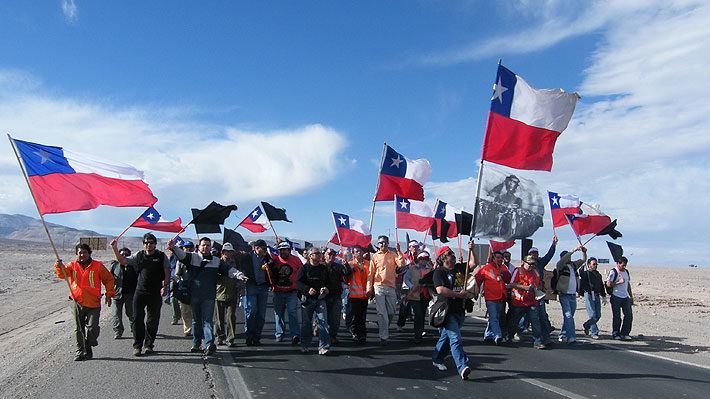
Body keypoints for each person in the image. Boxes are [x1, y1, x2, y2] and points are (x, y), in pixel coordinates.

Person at [168, 237, 248, 355]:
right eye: (203, 245)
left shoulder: (216, 261)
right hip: (195, 295)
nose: (205, 247)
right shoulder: (192, 258)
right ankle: (196, 343)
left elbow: (228, 269)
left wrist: (239, 275)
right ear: (199, 247)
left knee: (207, 321)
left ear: (210, 247)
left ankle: (209, 343)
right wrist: (173, 247)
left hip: (209, 296)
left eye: (208, 245)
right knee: (196, 321)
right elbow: (182, 256)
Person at [111, 233, 171, 356]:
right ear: (143, 244)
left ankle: (149, 345)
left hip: (155, 292)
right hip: (140, 292)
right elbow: (122, 261)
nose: (148, 245)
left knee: (152, 320)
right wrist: (114, 248)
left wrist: (165, 286)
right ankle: (137, 345)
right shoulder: (139, 255)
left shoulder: (161, 256)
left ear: (155, 244)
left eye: (151, 242)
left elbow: (167, 272)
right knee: (137, 318)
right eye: (146, 243)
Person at [54, 243, 115, 361]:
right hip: (77, 301)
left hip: (93, 303)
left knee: (93, 328)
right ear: (76, 254)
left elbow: (108, 279)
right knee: (79, 328)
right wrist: (58, 266)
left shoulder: (97, 266)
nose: (82, 255)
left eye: (84, 252)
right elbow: (63, 275)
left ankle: (89, 344)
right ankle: (80, 351)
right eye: (80, 253)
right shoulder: (72, 265)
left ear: (89, 253)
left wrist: (109, 294)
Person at [431, 242, 475, 380]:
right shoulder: (439, 272)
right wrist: (458, 295)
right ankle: (463, 367)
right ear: (444, 258)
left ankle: (437, 358)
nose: (453, 255)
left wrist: (471, 250)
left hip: (460, 310)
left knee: (446, 337)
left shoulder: (460, 268)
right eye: (450, 253)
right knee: (455, 339)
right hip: (447, 310)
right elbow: (440, 290)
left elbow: (473, 263)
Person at [366, 235, 405, 345]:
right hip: (378, 286)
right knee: (382, 312)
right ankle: (384, 337)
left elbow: (402, 264)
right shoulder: (375, 257)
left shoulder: (393, 255)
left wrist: (399, 251)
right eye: (380, 243)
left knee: (391, 312)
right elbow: (371, 273)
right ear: (378, 245)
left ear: (388, 244)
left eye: (384, 242)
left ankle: (384, 326)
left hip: (391, 287)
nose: (383, 244)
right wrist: (369, 288)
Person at [236, 239, 273, 346]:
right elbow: (242, 271)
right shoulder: (247, 257)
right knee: (252, 311)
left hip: (263, 287)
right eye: (263, 248)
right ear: (256, 249)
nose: (265, 250)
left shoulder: (266, 258)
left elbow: (272, 266)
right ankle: (249, 335)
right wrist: (242, 287)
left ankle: (257, 336)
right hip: (251, 286)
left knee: (261, 314)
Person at [296, 247, 333, 355]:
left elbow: (329, 282)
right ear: (310, 256)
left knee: (323, 322)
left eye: (319, 253)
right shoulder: (304, 268)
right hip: (307, 300)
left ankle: (324, 347)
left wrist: (326, 288)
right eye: (317, 253)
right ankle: (305, 344)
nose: (319, 255)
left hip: (320, 299)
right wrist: (307, 290)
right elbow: (298, 283)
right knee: (306, 323)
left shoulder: (323, 268)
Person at [506, 256, 547, 349]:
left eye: (533, 264)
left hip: (532, 301)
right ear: (523, 262)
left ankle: (538, 341)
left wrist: (538, 288)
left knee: (535, 321)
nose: (531, 266)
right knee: (515, 321)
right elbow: (511, 284)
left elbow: (540, 284)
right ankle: (509, 336)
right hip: (519, 302)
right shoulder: (518, 271)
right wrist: (524, 288)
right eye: (529, 264)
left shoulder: (536, 272)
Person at [474, 250, 512, 345]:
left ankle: (488, 335)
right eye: (497, 258)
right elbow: (477, 280)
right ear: (493, 258)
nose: (499, 259)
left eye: (501, 258)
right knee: (494, 317)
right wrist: (475, 292)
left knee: (495, 317)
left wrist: (503, 273)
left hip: (501, 297)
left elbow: (509, 280)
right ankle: (498, 335)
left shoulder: (503, 268)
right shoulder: (486, 268)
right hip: (490, 297)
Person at [270, 241, 302, 345]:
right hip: (278, 291)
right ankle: (279, 333)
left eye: (284, 250)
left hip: (292, 291)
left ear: (289, 250)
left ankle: (295, 335)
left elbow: (302, 273)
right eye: (280, 250)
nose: (282, 252)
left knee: (292, 312)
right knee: (278, 314)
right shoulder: (274, 261)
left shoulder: (296, 260)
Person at [555, 245, 587, 343]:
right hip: (564, 294)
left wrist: (584, 252)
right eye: (567, 257)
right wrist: (572, 251)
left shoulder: (573, 265)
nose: (569, 258)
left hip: (573, 295)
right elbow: (563, 260)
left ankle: (563, 334)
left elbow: (583, 260)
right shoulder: (560, 266)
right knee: (568, 315)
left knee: (569, 316)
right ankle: (571, 337)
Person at [214, 243, 242, 347]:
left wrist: (239, 284)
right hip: (219, 293)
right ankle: (219, 337)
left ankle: (230, 338)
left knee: (231, 317)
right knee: (219, 318)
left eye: (231, 251)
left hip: (232, 293)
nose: (229, 253)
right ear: (223, 252)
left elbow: (239, 274)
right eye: (227, 251)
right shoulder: (218, 263)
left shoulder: (235, 262)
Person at [404, 251, 432, 343]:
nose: (424, 261)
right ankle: (417, 335)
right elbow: (406, 278)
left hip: (425, 295)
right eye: (422, 259)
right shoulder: (412, 268)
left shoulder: (430, 270)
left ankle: (420, 332)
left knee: (422, 314)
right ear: (418, 260)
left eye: (426, 259)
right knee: (418, 314)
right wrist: (411, 286)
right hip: (414, 295)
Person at [344, 245, 369, 344]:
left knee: (362, 316)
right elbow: (345, 279)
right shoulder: (350, 265)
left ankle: (354, 329)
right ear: (353, 254)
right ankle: (361, 335)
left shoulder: (368, 264)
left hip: (365, 295)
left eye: (360, 251)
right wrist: (349, 271)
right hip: (354, 295)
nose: (359, 253)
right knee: (358, 316)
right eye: (356, 252)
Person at [109, 247, 136, 339]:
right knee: (116, 314)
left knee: (131, 313)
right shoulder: (114, 266)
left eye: (126, 255)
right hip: (117, 294)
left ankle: (135, 329)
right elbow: (109, 280)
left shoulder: (133, 266)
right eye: (122, 254)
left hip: (130, 294)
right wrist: (109, 294)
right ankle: (118, 331)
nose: (124, 256)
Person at [324, 247, 348, 344]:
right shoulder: (321, 266)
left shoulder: (338, 267)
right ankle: (321, 331)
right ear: (325, 256)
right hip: (323, 297)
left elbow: (347, 274)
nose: (332, 257)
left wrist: (345, 264)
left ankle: (332, 335)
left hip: (336, 296)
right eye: (329, 255)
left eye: (333, 255)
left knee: (335, 318)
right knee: (323, 317)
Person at [578, 257, 606, 339]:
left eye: (596, 264)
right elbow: (581, 274)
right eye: (593, 264)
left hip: (596, 295)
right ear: (589, 265)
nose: (595, 266)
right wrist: (582, 267)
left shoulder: (598, 275)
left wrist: (603, 295)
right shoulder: (586, 274)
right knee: (592, 314)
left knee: (598, 315)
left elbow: (601, 285)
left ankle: (587, 325)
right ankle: (594, 332)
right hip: (589, 295)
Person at [606, 256, 633, 340]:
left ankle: (625, 333)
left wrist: (631, 296)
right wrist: (618, 282)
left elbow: (628, 284)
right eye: (622, 265)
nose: (624, 267)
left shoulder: (626, 272)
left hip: (625, 297)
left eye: (625, 265)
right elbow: (608, 284)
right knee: (617, 316)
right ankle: (616, 333)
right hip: (616, 296)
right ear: (618, 264)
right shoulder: (614, 272)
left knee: (628, 315)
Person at [174, 241, 195, 337]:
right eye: (187, 247)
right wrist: (180, 283)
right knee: (185, 310)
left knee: (196, 309)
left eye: (191, 247)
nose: (189, 249)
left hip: (196, 287)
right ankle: (188, 328)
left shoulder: (197, 259)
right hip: (185, 288)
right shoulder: (180, 261)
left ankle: (197, 328)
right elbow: (177, 274)